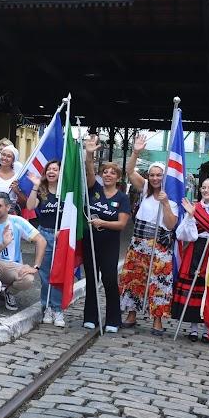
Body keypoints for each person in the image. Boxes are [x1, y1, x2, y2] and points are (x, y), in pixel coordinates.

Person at [120, 134, 178, 335]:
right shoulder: (144, 188)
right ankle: (132, 314)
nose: (154, 178)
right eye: (152, 174)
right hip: (138, 243)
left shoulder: (171, 196)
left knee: (159, 282)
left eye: (158, 175)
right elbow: (129, 171)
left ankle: (157, 319)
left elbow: (171, 225)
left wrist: (165, 203)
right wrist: (136, 152)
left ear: (165, 176)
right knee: (133, 279)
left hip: (159, 245)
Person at [83, 137, 131, 333]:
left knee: (109, 280)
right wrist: (89, 153)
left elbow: (121, 224)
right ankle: (90, 317)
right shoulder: (94, 189)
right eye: (105, 172)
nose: (108, 175)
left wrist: (103, 223)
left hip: (110, 244)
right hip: (90, 242)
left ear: (118, 177)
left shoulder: (122, 198)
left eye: (113, 173)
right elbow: (89, 170)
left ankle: (113, 319)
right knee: (91, 279)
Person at [0, 192, 47, 311]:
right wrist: (4, 244)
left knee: (28, 279)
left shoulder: (17, 221)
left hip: (13, 266)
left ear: (8, 207)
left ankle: (8, 293)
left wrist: (35, 267)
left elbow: (41, 240)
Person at [172, 178, 209, 342]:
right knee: (194, 289)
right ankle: (193, 328)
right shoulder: (195, 207)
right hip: (195, 250)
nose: (206, 190)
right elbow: (182, 235)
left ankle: (208, 329)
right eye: (204, 188)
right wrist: (191, 216)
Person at [25, 159, 64, 326]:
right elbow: (30, 206)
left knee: (59, 274)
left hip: (61, 236)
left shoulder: (66, 191)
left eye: (55, 169)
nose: (52, 171)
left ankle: (58, 309)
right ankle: (46, 306)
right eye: (49, 169)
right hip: (44, 235)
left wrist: (62, 230)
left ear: (60, 172)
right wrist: (35, 185)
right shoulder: (41, 190)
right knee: (46, 274)